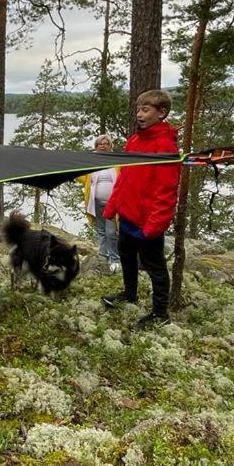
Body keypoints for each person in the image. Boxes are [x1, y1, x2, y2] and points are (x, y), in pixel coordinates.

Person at [101, 90, 181, 328]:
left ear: (162, 112)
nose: (139, 114)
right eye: (138, 109)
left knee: (155, 266)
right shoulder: (135, 141)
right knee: (126, 257)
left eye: (146, 110)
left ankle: (160, 313)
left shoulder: (165, 145)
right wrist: (112, 207)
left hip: (147, 221)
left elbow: (166, 191)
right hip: (128, 216)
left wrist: (154, 226)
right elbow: (124, 178)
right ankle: (130, 293)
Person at [78, 135, 120, 272]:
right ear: (96, 147)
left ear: (110, 146)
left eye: (106, 143)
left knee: (111, 232)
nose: (103, 146)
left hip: (113, 203)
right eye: (100, 144)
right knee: (101, 231)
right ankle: (103, 256)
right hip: (96, 202)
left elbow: (125, 177)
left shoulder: (117, 162)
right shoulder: (92, 163)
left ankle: (114, 259)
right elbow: (83, 178)